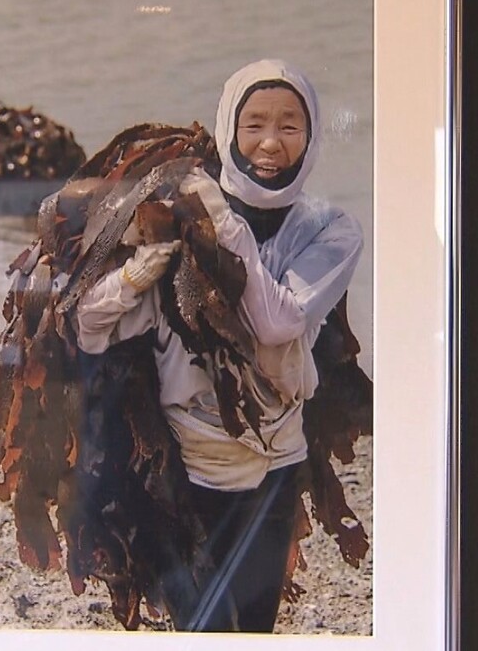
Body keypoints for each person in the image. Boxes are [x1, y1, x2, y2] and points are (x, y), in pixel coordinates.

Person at [75, 59, 364, 632]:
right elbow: (90, 327)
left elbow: (276, 322)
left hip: (275, 463)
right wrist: (136, 276)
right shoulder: (179, 218)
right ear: (229, 128)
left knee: (253, 627)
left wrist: (223, 225)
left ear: (312, 135)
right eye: (254, 123)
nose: (271, 142)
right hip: (185, 468)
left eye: (290, 125)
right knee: (201, 628)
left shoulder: (331, 229)